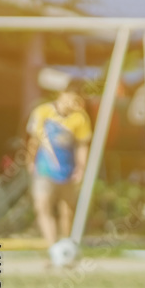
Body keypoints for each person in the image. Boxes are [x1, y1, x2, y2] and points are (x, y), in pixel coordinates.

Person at [26, 80, 93, 249]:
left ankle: (66, 246)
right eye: (71, 99)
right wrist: (30, 160)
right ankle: (53, 248)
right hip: (44, 168)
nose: (73, 104)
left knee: (67, 209)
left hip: (67, 170)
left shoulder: (80, 118)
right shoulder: (42, 112)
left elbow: (82, 145)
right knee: (42, 206)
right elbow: (33, 140)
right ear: (62, 94)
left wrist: (81, 168)